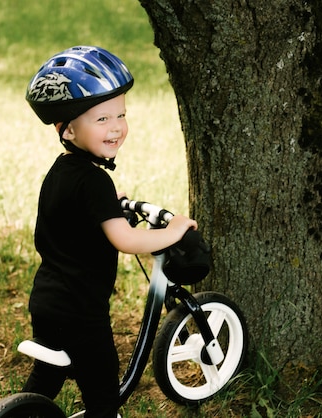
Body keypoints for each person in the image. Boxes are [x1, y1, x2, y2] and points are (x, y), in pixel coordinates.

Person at [23, 45, 197, 418]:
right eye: (101, 120)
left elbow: (72, 216)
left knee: (48, 375)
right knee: (103, 393)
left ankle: (20, 412)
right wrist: (175, 230)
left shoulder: (61, 172)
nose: (116, 126)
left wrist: (107, 204)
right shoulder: (94, 182)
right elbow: (127, 239)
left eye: (120, 114)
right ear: (68, 128)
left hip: (48, 302)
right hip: (81, 312)